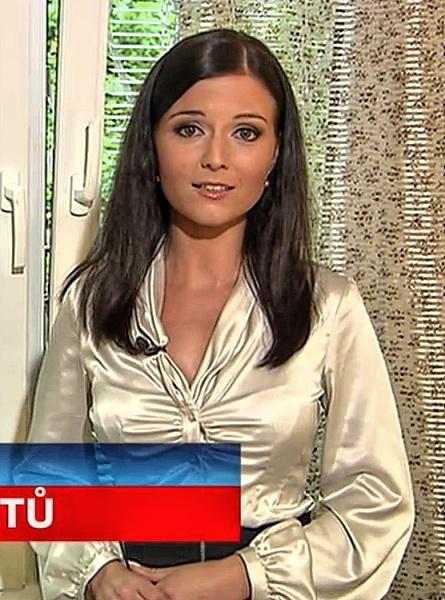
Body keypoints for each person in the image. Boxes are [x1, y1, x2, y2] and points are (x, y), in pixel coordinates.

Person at [28, 28, 414, 600]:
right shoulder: (92, 301)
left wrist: (245, 575)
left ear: (276, 152)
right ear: (151, 146)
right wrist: (98, 573)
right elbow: (46, 476)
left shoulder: (328, 305)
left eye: (246, 133)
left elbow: (377, 498)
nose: (215, 158)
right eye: (189, 129)